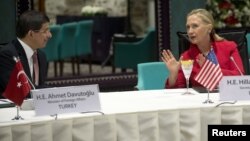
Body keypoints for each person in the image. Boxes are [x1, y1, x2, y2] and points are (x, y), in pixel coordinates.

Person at [161, 8, 244, 89]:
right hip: (201, 100)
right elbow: (178, 90)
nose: (190, 31)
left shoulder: (229, 48)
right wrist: (173, 74)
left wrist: (210, 69)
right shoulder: (186, 57)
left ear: (209, 28)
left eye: (195, 26)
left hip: (228, 98)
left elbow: (239, 77)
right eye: (188, 27)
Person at [0, 10, 52, 98]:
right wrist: (51, 91)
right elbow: (18, 91)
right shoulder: (7, 55)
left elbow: (39, 87)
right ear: (31, 34)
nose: (50, 35)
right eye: (45, 31)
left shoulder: (41, 56)